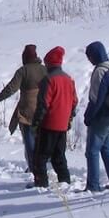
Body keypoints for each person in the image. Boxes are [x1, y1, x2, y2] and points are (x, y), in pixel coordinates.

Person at [0, 45, 47, 181]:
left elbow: (10, 89)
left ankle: (34, 168)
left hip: (27, 112)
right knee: (41, 140)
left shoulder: (23, 71)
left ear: (25, 58)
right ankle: (41, 166)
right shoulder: (45, 69)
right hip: (44, 111)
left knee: (30, 142)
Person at [82, 42, 109, 192]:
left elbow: (96, 99)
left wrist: (88, 116)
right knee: (107, 147)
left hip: (101, 116)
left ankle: (93, 185)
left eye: (89, 56)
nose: (89, 59)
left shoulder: (100, 71)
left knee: (92, 151)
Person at [30, 46, 76, 188]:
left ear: (49, 63)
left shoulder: (48, 80)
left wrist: (36, 122)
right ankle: (65, 181)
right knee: (59, 155)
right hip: (63, 124)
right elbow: (74, 101)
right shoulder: (69, 79)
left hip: (48, 123)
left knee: (40, 156)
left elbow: (43, 103)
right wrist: (69, 117)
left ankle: (41, 183)